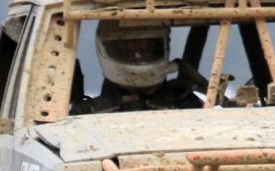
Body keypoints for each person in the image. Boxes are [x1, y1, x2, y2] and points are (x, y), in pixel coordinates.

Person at [72, 19, 203, 113]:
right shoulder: (84, 116)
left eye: (145, 49)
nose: (138, 55)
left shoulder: (189, 107)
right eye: (128, 50)